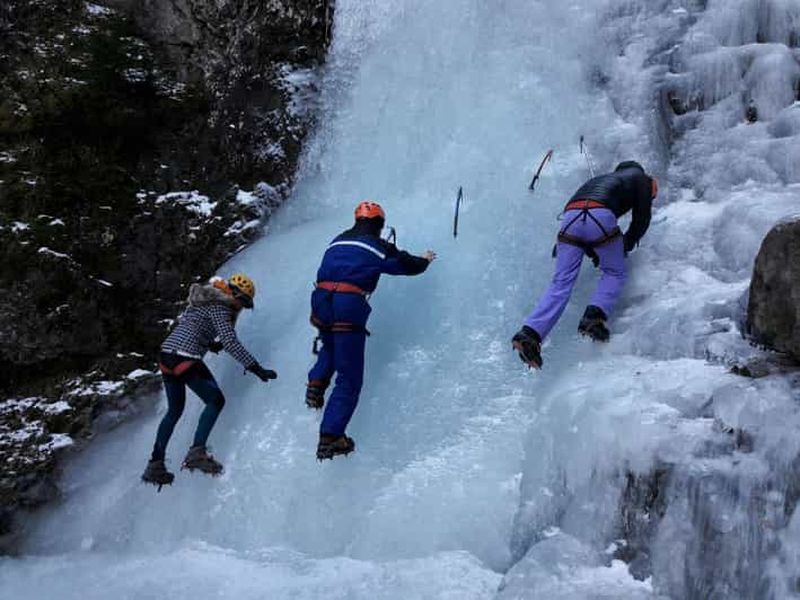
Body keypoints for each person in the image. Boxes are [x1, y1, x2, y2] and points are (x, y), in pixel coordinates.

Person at [306, 201, 436, 460]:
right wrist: (424, 260)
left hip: (320, 300)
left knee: (330, 343)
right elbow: (404, 265)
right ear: (379, 224)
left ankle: (316, 383)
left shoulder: (337, 240)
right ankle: (331, 436)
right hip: (348, 303)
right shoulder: (378, 245)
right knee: (349, 377)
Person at [512, 161, 658, 369]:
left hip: (570, 218)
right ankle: (593, 317)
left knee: (561, 283)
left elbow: (584, 225)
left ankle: (530, 334)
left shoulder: (601, 180)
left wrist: (581, 247)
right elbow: (641, 220)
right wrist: (624, 245)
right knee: (614, 272)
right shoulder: (642, 179)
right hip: (599, 215)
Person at [141, 273, 277, 488]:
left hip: (167, 355)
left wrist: (209, 344)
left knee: (174, 411)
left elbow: (192, 326)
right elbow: (230, 342)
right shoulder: (221, 307)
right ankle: (197, 451)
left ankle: (155, 465)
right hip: (185, 356)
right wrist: (256, 368)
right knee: (215, 400)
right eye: (242, 302)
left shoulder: (203, 301)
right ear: (234, 294)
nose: (241, 307)